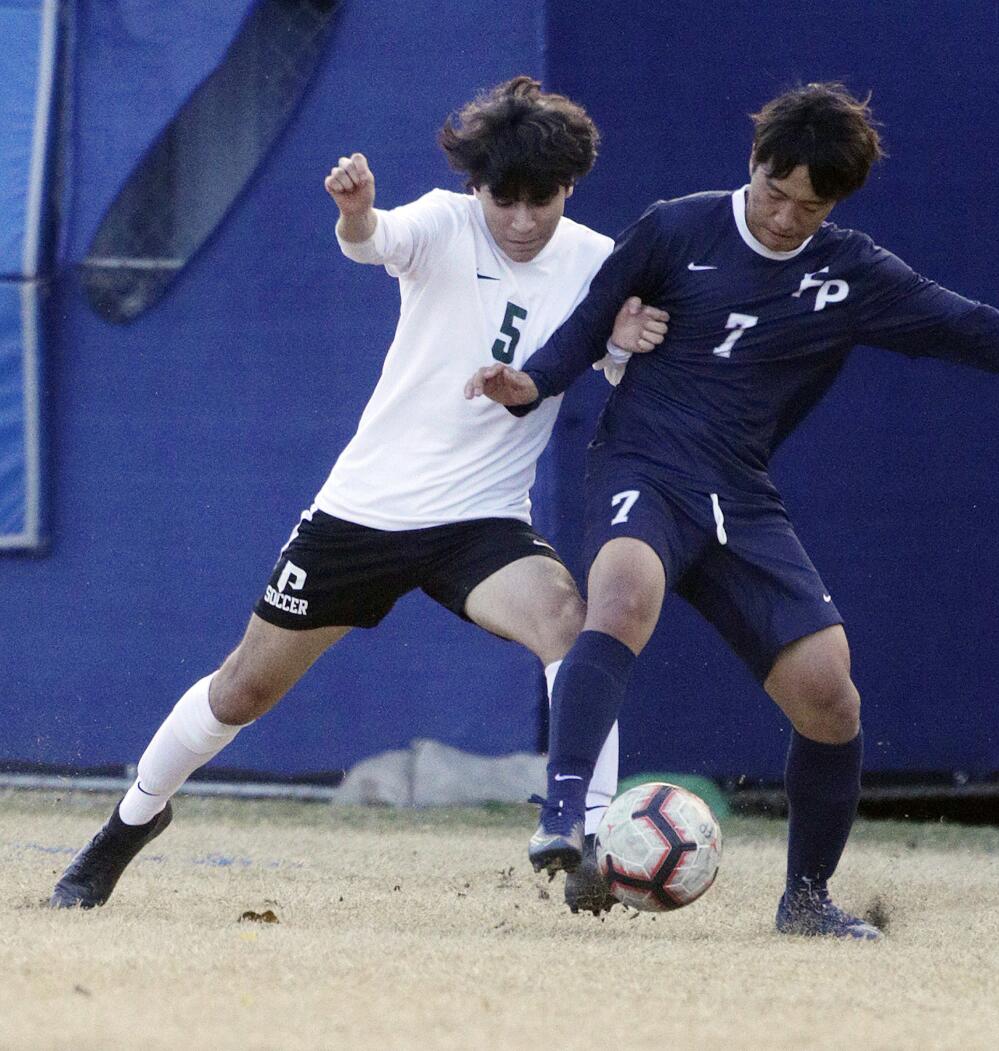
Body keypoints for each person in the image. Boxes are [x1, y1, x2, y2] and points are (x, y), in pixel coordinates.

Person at [466, 81, 999, 939]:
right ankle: (565, 816)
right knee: (620, 596)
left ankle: (805, 901)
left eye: (811, 204)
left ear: (835, 203)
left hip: (741, 495)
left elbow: (976, 328)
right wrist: (531, 380)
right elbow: (585, 326)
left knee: (830, 696)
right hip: (645, 465)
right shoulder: (676, 226)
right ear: (752, 163)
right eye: (775, 191)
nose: (788, 216)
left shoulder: (853, 273)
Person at [50, 76, 668, 916]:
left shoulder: (599, 264)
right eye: (504, 199)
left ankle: (585, 835)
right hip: (362, 514)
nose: (522, 221)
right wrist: (356, 211)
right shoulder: (444, 226)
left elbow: (622, 364)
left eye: (543, 200)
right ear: (473, 186)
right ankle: (125, 827)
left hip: (481, 523)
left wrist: (625, 344)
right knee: (241, 691)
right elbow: (376, 239)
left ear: (571, 188)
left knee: (570, 619)